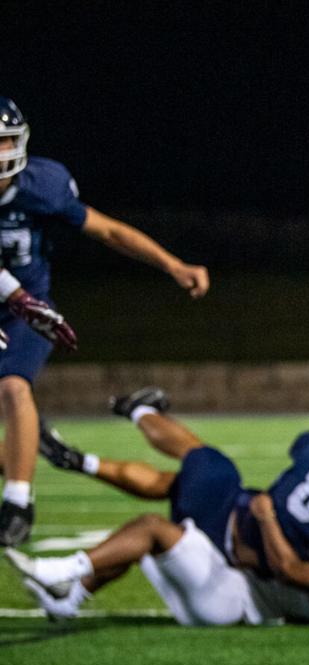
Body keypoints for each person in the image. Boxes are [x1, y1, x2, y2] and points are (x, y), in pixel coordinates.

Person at [14, 388, 309, 630]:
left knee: (190, 478)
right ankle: (70, 593)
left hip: (235, 573)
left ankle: (128, 418)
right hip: (236, 540)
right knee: (189, 476)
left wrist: (270, 519)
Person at [0, 97, 210, 546]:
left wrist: (173, 265)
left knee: (13, 385)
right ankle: (22, 457)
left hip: (28, 312)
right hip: (14, 297)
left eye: (4, 142)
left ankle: (17, 501)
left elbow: (110, 230)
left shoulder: (42, 185)